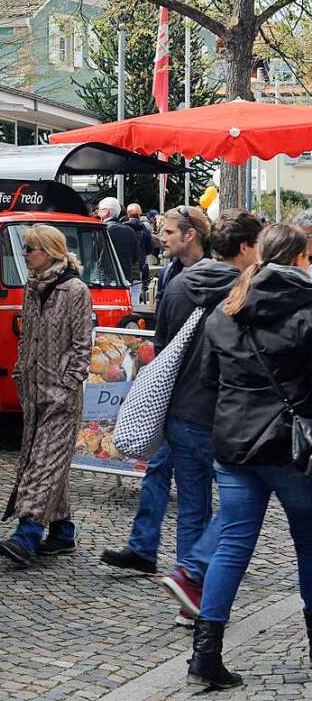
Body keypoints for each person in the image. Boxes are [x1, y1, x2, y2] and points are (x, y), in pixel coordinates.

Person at [187, 223, 312, 689]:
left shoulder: (226, 308)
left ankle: (205, 653)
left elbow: (208, 379)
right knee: (309, 544)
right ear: (299, 257)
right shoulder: (306, 309)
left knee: (232, 545)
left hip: (234, 444)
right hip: (289, 448)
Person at [128, 212, 259, 625]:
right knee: (241, 504)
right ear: (243, 247)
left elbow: (162, 346)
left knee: (191, 507)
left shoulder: (178, 284)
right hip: (223, 413)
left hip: (180, 411)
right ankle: (196, 579)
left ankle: (189, 598)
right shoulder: (245, 289)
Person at [100, 207, 213, 598]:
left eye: (167, 232)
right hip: (170, 393)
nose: (160, 237)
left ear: (191, 235)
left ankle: (196, 567)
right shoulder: (169, 273)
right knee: (157, 468)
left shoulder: (214, 273)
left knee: (207, 490)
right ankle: (148, 549)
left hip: (194, 397)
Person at [0, 225, 92, 565]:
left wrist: (70, 381)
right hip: (35, 391)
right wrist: (21, 370)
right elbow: (27, 336)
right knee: (50, 465)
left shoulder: (75, 290)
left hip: (62, 397)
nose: (25, 254)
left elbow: (83, 344)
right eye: (25, 248)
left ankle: (27, 534)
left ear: (49, 251)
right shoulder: (32, 288)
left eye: (30, 249)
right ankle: (62, 531)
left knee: (41, 466)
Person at [97, 197, 143, 303]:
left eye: (100, 210)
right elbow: (135, 257)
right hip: (124, 281)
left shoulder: (100, 231)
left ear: (106, 212)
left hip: (103, 282)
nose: (98, 213)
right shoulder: (129, 231)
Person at [125, 203, 155, 303]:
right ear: (139, 215)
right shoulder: (144, 230)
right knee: (136, 294)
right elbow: (150, 249)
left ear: (127, 214)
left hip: (123, 267)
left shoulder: (122, 228)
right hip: (139, 266)